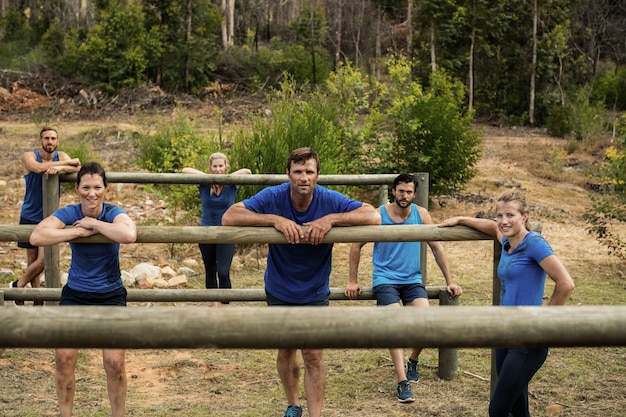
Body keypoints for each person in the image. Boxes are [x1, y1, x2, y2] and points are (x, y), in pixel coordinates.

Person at [222, 147, 380, 417]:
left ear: (317, 175)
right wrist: (276, 220)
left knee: (314, 355)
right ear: (288, 174)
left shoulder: (328, 199)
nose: (303, 177)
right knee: (285, 350)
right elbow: (229, 217)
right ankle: (293, 405)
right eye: (298, 172)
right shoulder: (274, 196)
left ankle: (315, 415)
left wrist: (331, 220)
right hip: (280, 287)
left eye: (309, 172)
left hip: (314, 290)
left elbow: (373, 216)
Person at [439, 189, 575, 417]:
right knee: (517, 408)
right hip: (505, 332)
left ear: (525, 216)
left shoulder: (534, 243)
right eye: (499, 215)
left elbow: (566, 283)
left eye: (510, 215)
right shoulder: (507, 242)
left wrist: (546, 324)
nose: (503, 221)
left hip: (528, 337)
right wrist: (461, 219)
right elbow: (492, 228)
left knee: (498, 409)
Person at [29, 162, 137, 417]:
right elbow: (37, 236)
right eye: (86, 187)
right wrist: (75, 232)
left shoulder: (112, 212)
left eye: (97, 187)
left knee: (114, 363)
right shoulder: (70, 212)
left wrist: (96, 225)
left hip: (110, 294)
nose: (92, 193)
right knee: (64, 360)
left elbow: (128, 233)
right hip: (76, 293)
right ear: (77, 188)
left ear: (105, 189)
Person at [345, 173, 463, 403]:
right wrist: (352, 280)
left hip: (412, 279)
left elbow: (436, 246)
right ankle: (402, 381)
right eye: (401, 191)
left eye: (409, 192)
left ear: (414, 194)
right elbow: (356, 245)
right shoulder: (379, 214)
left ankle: (413, 361)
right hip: (385, 278)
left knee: (425, 324)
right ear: (393, 191)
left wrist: (450, 280)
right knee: (395, 324)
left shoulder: (421, 214)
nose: (404, 196)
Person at [11, 126, 81, 305]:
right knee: (32, 259)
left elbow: (78, 166)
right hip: (28, 215)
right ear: (40, 140)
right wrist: (64, 166)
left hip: (50, 217)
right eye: (46, 138)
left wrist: (61, 167)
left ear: (57, 141)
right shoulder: (29, 155)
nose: (50, 142)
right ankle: (37, 299)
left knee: (43, 260)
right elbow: (38, 167)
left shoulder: (61, 155)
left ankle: (17, 286)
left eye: (53, 138)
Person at [182, 152, 251, 307]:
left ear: (226, 167)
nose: (218, 169)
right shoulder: (204, 184)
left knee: (223, 271)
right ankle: (214, 307)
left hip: (227, 233)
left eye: (221, 166)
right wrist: (209, 178)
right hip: (205, 232)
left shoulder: (232, 184)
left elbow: (247, 171)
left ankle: (225, 307)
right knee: (210, 269)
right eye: (215, 166)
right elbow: (185, 171)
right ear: (210, 167)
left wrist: (225, 179)